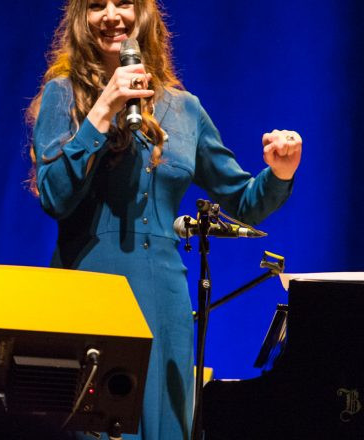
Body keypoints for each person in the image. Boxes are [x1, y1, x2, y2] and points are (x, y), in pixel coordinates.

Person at [27, 0, 302, 439]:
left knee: (166, 425)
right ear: (82, 19)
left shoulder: (183, 108)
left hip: (166, 302)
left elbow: (244, 200)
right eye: (97, 6)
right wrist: (103, 111)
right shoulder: (65, 94)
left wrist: (280, 170)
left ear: (146, 16)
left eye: (124, 4)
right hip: (89, 289)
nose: (111, 15)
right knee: (94, 423)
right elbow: (56, 196)